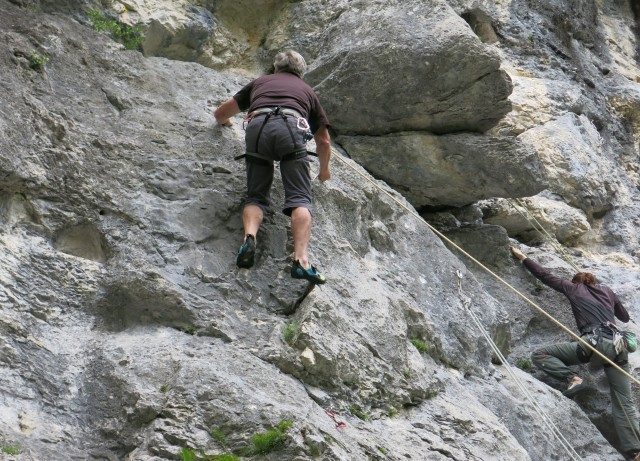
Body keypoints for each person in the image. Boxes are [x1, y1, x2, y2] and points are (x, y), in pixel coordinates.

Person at [511, 247, 640, 460]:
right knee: (624, 402)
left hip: (593, 344)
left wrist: (524, 258)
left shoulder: (572, 288)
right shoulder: (608, 290)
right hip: (618, 347)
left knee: (540, 355)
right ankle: (636, 450)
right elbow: (624, 317)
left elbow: (545, 276)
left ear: (577, 282)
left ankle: (572, 377)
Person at [213, 50, 331, 284]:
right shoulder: (307, 91)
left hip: (257, 129)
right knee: (299, 198)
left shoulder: (260, 82)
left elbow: (220, 113)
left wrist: (227, 122)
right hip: (290, 129)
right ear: (301, 72)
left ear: (276, 68)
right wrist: (324, 170)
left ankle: (250, 238)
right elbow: (324, 140)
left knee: (255, 196)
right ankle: (301, 261)